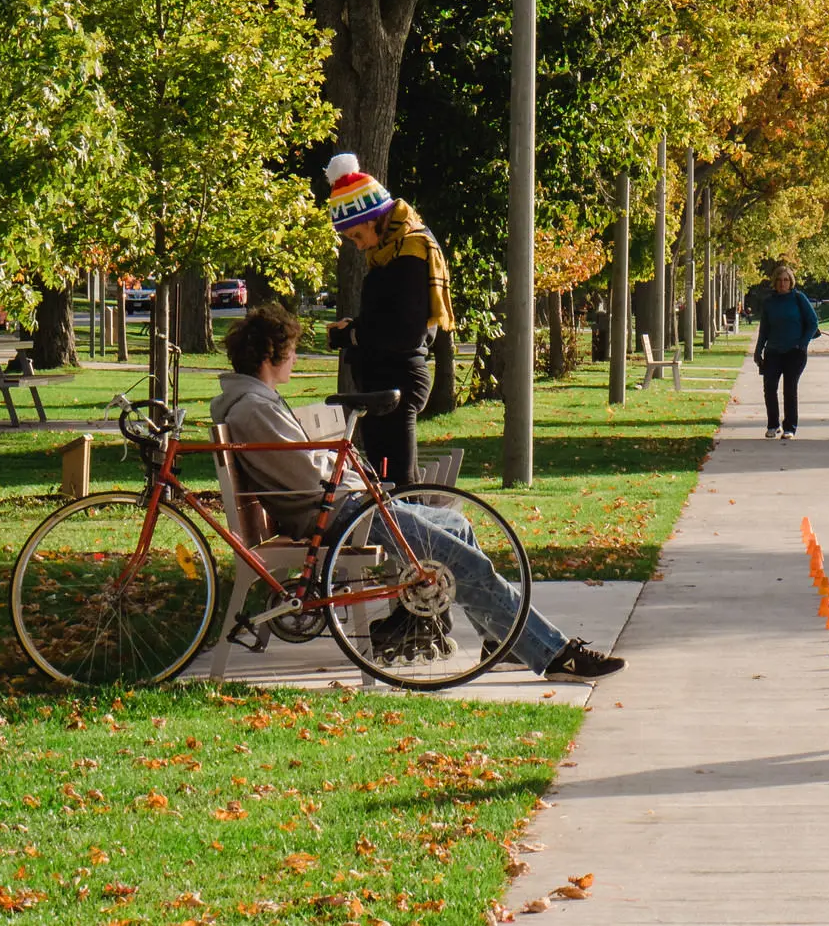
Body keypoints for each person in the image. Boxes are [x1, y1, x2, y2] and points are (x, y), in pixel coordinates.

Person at [211, 304, 623, 681]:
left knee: (457, 527)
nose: (296, 359)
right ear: (270, 356)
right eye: (292, 351)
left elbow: (308, 471)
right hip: (348, 516)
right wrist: (348, 469)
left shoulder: (256, 402)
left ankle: (504, 640)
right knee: (465, 564)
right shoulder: (254, 408)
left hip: (353, 508)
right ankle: (555, 655)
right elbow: (313, 478)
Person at [322, 153, 453, 488]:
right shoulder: (390, 250)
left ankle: (419, 539)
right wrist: (355, 329)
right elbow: (387, 315)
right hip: (382, 378)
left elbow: (406, 330)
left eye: (354, 235)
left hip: (398, 380)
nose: (356, 244)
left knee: (399, 486)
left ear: (370, 219)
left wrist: (354, 334)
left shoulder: (410, 251)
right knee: (384, 485)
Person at [753, 263, 819, 440]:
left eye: (786, 280)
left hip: (794, 351)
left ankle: (790, 427)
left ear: (791, 282)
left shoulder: (799, 298)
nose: (783, 283)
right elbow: (764, 329)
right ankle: (773, 425)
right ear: (774, 282)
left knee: (789, 389)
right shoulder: (769, 302)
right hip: (773, 350)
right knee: (769, 387)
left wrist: (802, 344)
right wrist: (758, 350)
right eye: (780, 280)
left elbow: (813, 323)